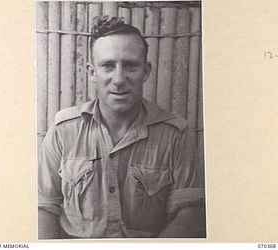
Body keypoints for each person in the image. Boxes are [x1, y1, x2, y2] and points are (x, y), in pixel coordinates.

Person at [38, 16, 205, 239]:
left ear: (146, 71)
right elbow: (43, 208)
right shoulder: (63, 130)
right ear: (91, 72)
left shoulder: (175, 134)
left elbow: (190, 212)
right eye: (108, 66)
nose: (118, 79)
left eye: (130, 66)